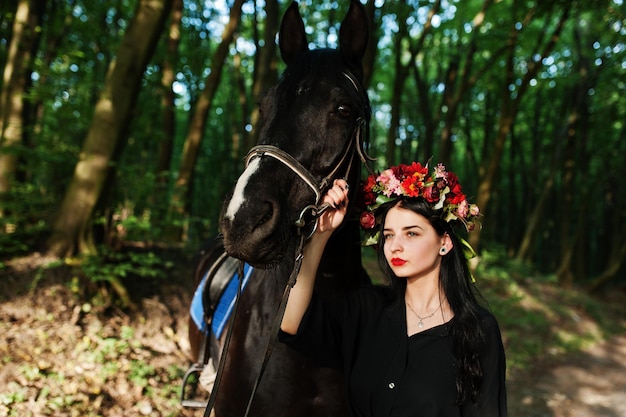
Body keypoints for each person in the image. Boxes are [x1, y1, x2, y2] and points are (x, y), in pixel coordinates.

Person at [280, 161, 507, 417]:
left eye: (411, 234)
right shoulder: (367, 308)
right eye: (388, 235)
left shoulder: (478, 330)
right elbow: (292, 323)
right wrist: (321, 235)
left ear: (444, 242)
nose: (395, 246)